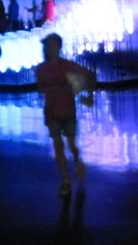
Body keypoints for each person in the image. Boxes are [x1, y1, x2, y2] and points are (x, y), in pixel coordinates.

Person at [36, 33, 96, 197]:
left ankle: (76, 159)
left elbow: (90, 75)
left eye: (52, 45)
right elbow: (40, 88)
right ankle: (65, 179)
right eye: (48, 45)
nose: (50, 48)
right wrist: (58, 87)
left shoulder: (67, 65)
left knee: (71, 144)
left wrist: (89, 95)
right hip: (52, 111)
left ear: (58, 47)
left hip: (67, 111)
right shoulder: (42, 68)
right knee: (58, 145)